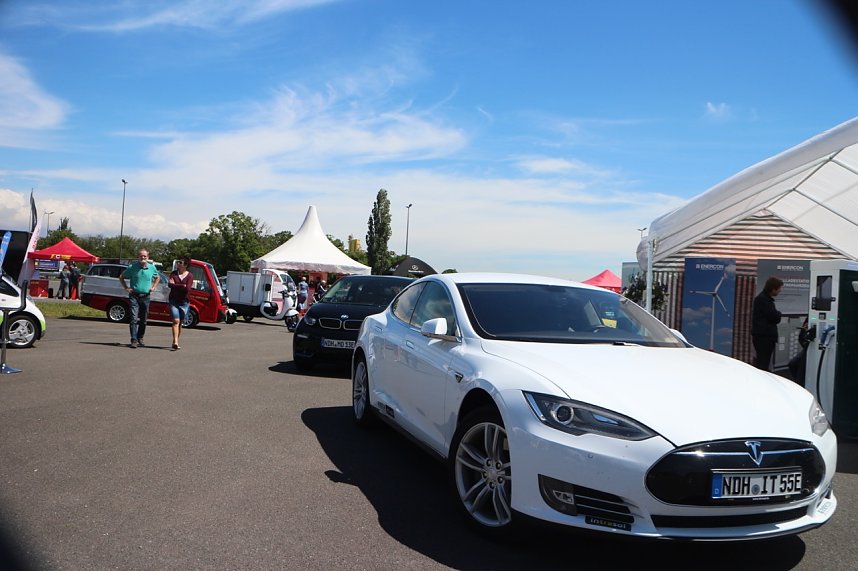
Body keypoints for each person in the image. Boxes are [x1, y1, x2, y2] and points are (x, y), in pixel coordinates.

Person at [119, 249, 160, 348]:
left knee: (144, 320)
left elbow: (157, 277)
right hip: (134, 296)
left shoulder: (151, 268)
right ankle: (134, 339)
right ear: (138, 257)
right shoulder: (132, 267)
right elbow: (121, 277)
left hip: (146, 297)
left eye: (144, 256)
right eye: (141, 256)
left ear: (148, 257)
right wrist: (126, 287)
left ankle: (140, 337)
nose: (143, 258)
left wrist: (154, 286)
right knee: (133, 318)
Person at [751, 276, 783, 371]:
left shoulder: (764, 299)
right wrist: (779, 314)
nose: (780, 291)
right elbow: (774, 317)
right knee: (763, 364)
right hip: (764, 338)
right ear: (773, 289)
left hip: (764, 337)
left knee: (763, 362)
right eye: (779, 288)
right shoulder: (763, 300)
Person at [167, 256, 193, 351]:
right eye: (178, 262)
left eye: (180, 263)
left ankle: (177, 339)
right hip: (173, 300)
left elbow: (188, 289)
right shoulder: (173, 273)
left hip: (184, 302)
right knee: (176, 321)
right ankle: (175, 342)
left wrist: (176, 285)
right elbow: (170, 285)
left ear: (186, 265)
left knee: (180, 322)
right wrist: (182, 285)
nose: (178, 264)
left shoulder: (190, 276)